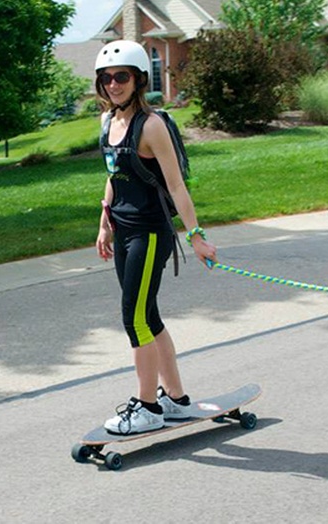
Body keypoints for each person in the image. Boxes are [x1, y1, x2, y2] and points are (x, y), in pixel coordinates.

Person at [94, 40, 217, 434]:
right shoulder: (107, 123)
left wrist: (196, 237)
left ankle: (147, 406)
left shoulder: (151, 125)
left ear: (139, 80)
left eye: (121, 77)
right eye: (107, 78)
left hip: (150, 233)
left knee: (134, 319)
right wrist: (104, 221)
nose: (114, 84)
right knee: (147, 315)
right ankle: (176, 399)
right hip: (124, 230)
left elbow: (177, 187)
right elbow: (115, 175)